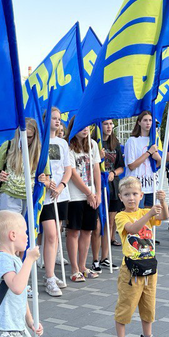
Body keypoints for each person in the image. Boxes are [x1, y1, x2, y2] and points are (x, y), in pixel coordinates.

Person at [112, 177, 169, 337]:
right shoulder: (121, 216)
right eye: (127, 195)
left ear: (141, 195)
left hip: (149, 268)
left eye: (135, 194)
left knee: (148, 306)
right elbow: (133, 229)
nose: (131, 198)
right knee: (126, 306)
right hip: (131, 271)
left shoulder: (147, 211)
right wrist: (149, 213)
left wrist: (162, 201)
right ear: (120, 197)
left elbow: (164, 216)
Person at [38, 108, 72, 297]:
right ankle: (49, 278)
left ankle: (50, 273)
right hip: (45, 196)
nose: (57, 121)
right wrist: (48, 184)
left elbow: (68, 169)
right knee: (50, 235)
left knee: (56, 235)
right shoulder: (40, 142)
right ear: (45, 120)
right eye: (53, 118)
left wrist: (60, 186)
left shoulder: (62, 143)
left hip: (60, 194)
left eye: (59, 119)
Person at [64, 121, 102, 283]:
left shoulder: (92, 145)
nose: (85, 129)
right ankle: (74, 268)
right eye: (81, 126)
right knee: (74, 231)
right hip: (75, 196)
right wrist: (88, 193)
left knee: (88, 231)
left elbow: (96, 169)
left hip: (91, 196)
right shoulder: (68, 146)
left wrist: (97, 192)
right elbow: (72, 173)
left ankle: (83, 266)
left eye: (87, 126)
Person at [0, 119, 41, 217]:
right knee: (8, 228)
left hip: (30, 197)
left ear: (35, 136)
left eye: (29, 137)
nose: (26, 140)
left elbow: (47, 177)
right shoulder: (8, 145)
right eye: (23, 136)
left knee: (25, 230)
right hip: (9, 194)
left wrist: (44, 179)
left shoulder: (39, 151)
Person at [97, 119, 125, 267]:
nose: (109, 126)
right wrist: (99, 157)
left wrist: (114, 172)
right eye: (106, 123)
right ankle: (96, 257)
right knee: (98, 224)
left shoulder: (116, 143)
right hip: (99, 186)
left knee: (110, 221)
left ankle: (105, 257)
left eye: (111, 124)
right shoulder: (96, 142)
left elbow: (121, 166)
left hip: (113, 186)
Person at [124, 111, 162, 207]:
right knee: (138, 216)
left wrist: (159, 159)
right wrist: (148, 152)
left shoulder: (154, 140)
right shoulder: (132, 141)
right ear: (139, 122)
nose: (148, 123)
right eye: (145, 120)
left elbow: (156, 166)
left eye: (150, 120)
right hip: (136, 186)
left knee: (151, 216)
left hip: (152, 185)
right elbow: (131, 165)